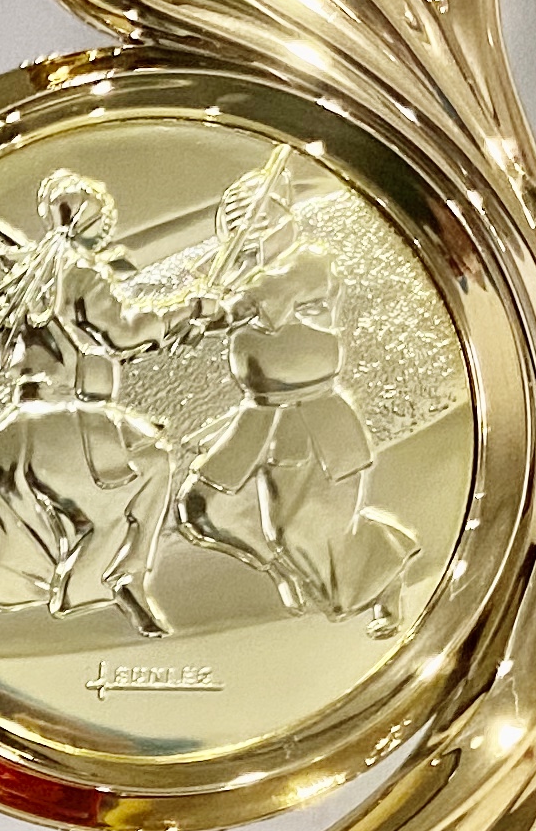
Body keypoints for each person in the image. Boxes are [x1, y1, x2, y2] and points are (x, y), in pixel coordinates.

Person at [0, 170, 198, 645]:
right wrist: (185, 310)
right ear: (93, 222)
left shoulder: (32, 274)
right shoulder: (81, 272)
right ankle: (122, 575)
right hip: (71, 418)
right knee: (152, 463)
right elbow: (123, 332)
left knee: (0, 514)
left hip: (18, 423)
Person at [165, 151, 424, 635]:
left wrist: (216, 312)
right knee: (201, 509)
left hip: (312, 415)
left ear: (282, 213)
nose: (246, 230)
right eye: (235, 222)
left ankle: (386, 571)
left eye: (253, 217)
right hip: (258, 415)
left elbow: (259, 298)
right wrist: (190, 315)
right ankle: (280, 570)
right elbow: (230, 304)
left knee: (302, 532)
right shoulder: (241, 275)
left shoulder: (309, 263)